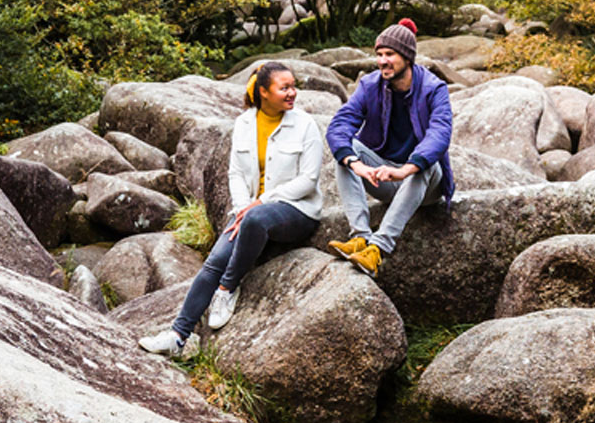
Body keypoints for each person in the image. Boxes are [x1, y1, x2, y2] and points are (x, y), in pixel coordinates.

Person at [139, 61, 323, 357]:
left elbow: (309, 180)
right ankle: (177, 336)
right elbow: (235, 174)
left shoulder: (305, 125)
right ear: (263, 91)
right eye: (284, 87)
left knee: (254, 221)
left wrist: (259, 204)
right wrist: (241, 209)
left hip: (295, 210)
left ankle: (227, 288)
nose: (293, 93)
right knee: (215, 260)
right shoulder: (245, 123)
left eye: (293, 86)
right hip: (249, 213)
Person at [324, 18, 453, 277]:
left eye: (390, 54)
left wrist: (406, 170)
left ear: (407, 57)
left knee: (427, 162)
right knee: (348, 151)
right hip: (386, 180)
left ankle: (377, 249)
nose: (382, 61)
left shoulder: (433, 89)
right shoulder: (370, 85)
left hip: (425, 185)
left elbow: (439, 134)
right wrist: (355, 163)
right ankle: (360, 237)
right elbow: (339, 125)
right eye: (379, 54)